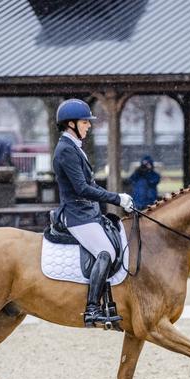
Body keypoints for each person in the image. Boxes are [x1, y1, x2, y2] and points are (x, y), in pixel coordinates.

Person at [52, 98, 135, 327]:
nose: (88, 125)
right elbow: (81, 189)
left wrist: (115, 197)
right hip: (77, 215)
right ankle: (92, 308)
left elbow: (92, 186)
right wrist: (116, 198)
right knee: (106, 251)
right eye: (85, 122)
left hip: (88, 212)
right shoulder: (66, 150)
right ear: (71, 124)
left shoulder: (75, 148)